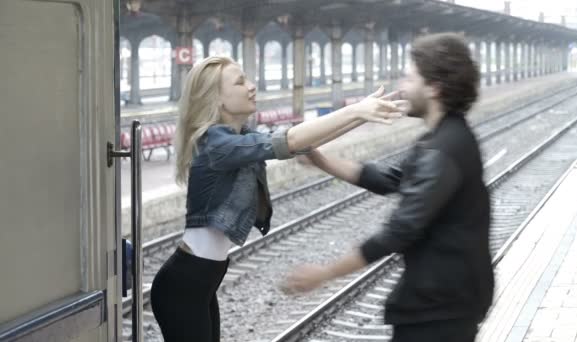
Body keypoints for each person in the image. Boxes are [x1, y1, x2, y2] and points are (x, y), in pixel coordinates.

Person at [150, 56, 407, 342]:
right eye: (239, 81)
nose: (251, 86)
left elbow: (302, 142)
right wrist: (356, 110)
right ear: (218, 99)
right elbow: (291, 141)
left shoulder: (240, 137)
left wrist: (360, 114)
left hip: (201, 281)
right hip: (183, 285)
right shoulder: (217, 145)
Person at [283, 32, 495, 342]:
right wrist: (318, 159)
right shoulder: (447, 138)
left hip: (438, 309)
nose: (401, 87)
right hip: (447, 300)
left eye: (409, 78)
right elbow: (387, 179)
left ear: (434, 87)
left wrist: (325, 273)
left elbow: (400, 230)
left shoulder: (441, 151)